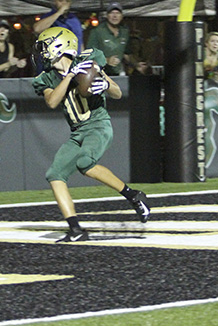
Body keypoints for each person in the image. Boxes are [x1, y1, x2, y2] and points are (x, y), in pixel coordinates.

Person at [32, 26, 150, 242]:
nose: (42, 53)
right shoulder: (47, 78)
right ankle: (76, 229)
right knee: (55, 174)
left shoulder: (88, 61)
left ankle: (132, 195)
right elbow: (52, 101)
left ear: (60, 44)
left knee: (85, 162)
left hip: (97, 124)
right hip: (77, 132)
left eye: (44, 47)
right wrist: (70, 77)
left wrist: (105, 84)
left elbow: (117, 92)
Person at [86, 2, 130, 77]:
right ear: (107, 15)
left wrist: (136, 64)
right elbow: (88, 55)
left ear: (122, 16)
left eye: (117, 13)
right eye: (112, 13)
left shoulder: (125, 32)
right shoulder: (97, 31)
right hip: (100, 75)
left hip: (118, 75)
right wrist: (106, 60)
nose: (115, 16)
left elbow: (127, 54)